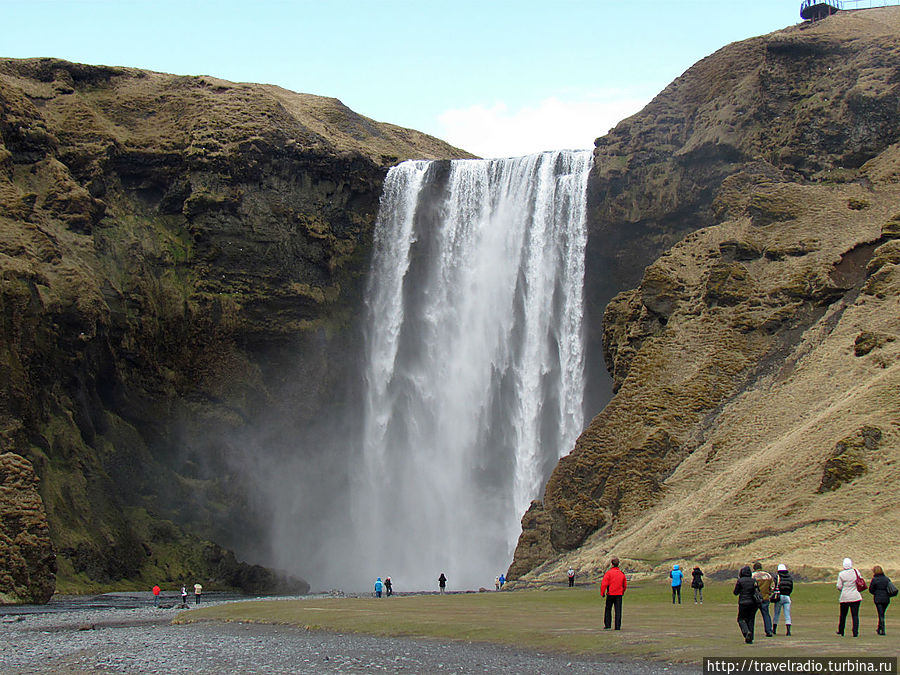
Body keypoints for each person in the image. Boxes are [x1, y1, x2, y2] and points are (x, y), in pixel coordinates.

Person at [836, 557, 863, 637]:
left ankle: (841, 630)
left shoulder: (841, 574)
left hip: (845, 597)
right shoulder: (856, 572)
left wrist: (843, 589)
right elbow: (860, 581)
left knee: (843, 615)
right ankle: (855, 632)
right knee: (855, 615)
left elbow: (839, 586)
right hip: (855, 596)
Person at [600, 557, 627, 630]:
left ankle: (608, 625)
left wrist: (602, 592)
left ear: (612, 564)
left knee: (608, 609)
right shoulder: (621, 574)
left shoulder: (608, 573)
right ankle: (617, 626)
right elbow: (624, 585)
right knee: (618, 610)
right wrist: (622, 591)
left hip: (610, 594)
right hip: (619, 594)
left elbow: (604, 584)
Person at [734, 565, 760, 643]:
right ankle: (750, 637)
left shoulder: (740, 581)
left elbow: (735, 592)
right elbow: (757, 591)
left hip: (743, 602)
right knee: (751, 620)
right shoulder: (754, 580)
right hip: (753, 603)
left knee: (741, 619)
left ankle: (746, 632)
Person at [868, 565, 896, 636]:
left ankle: (882, 629)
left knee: (880, 614)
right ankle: (879, 628)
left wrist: (876, 593)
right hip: (886, 599)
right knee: (882, 613)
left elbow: (871, 589)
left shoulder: (874, 579)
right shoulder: (886, 579)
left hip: (878, 599)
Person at [752, 562, 775, 637]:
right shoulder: (767, 575)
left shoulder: (753, 575)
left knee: (752, 616)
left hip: (755, 599)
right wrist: (769, 593)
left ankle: (750, 630)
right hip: (765, 598)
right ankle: (769, 631)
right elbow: (772, 587)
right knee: (766, 615)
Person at [771, 563, 794, 636]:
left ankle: (774, 630)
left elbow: (774, 586)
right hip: (787, 596)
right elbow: (791, 587)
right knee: (787, 614)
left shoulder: (777, 577)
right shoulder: (789, 577)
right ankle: (788, 631)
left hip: (779, 596)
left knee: (776, 614)